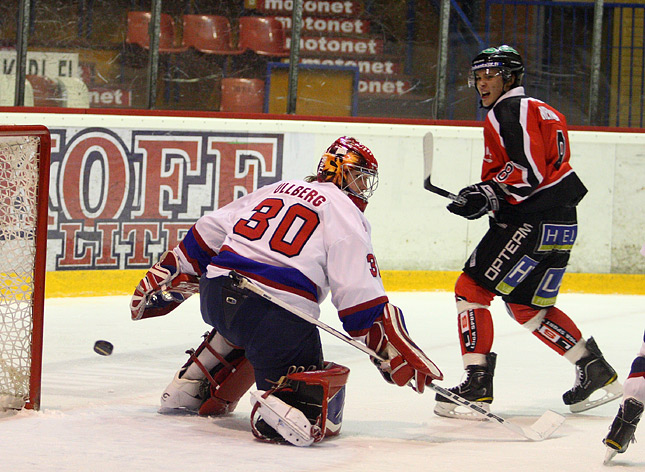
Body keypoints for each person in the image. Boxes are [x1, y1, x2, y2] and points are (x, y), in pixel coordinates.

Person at [130, 136, 442, 446]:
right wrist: (389, 348)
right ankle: (282, 408)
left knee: (245, 327)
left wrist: (175, 264)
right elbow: (359, 296)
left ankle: (190, 385)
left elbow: (210, 227)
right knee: (315, 406)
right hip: (272, 317)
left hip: (216, 294)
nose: (362, 189)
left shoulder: (279, 188)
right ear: (342, 173)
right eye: (360, 179)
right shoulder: (346, 213)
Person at [434, 45, 622, 418]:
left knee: (470, 289)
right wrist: (484, 195)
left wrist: (487, 192)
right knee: (526, 306)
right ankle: (591, 367)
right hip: (559, 220)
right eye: (479, 75)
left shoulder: (510, 109)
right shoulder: (541, 109)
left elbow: (527, 171)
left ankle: (477, 384)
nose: (482, 82)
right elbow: (537, 170)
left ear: (511, 77)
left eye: (491, 74)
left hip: (530, 221)